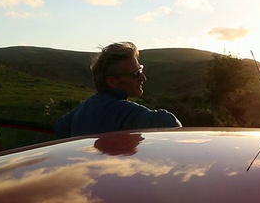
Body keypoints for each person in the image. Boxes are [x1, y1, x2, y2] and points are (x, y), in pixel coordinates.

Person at [54, 42, 182, 138]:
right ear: (112, 81)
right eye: (136, 73)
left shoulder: (86, 106)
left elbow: (60, 127)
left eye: (141, 70)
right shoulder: (121, 110)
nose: (143, 78)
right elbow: (168, 123)